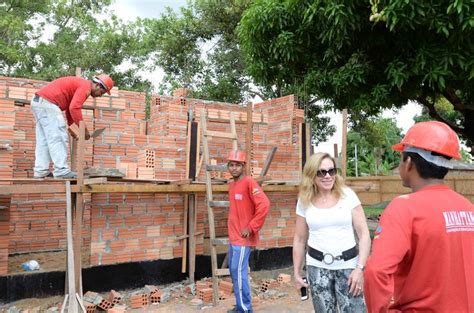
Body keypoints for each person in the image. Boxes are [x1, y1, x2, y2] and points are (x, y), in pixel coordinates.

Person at [364, 121, 474, 312]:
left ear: (408, 163)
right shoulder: (467, 208)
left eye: (400, 158)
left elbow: (376, 272)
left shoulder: (404, 208)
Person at [293, 152, 371, 312]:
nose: (328, 176)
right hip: (317, 267)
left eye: (332, 171)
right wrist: (297, 273)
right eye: (322, 172)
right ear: (311, 175)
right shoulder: (304, 200)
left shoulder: (348, 195)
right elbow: (300, 239)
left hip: (349, 267)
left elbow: (364, 235)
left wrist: (360, 269)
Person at [31, 74, 113, 179]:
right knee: (58, 137)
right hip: (48, 103)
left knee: (44, 140)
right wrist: (84, 131)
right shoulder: (85, 87)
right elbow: (75, 108)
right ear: (97, 85)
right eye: (102, 92)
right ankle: (61, 171)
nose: (100, 95)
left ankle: (40, 171)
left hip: (39, 102)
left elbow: (70, 109)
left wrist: (73, 128)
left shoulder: (80, 85)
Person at [226, 150, 270, 313]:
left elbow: (264, 205)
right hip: (234, 238)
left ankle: (245, 309)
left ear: (243, 166)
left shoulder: (249, 183)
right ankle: (240, 306)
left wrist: (251, 227)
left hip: (243, 239)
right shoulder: (232, 185)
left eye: (238, 165)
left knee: (239, 273)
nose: (234, 168)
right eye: (231, 165)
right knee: (235, 272)